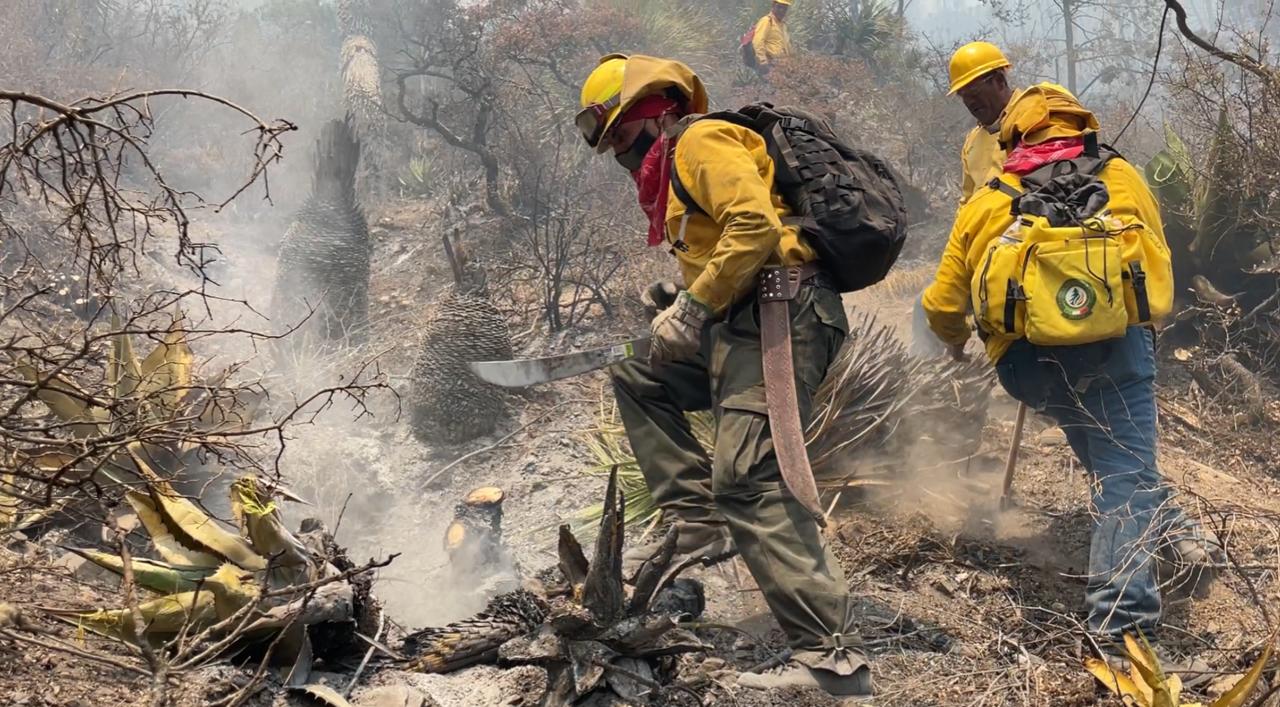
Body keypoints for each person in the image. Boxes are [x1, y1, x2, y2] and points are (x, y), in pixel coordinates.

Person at [575, 53, 871, 697]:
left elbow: (756, 228)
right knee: (638, 376)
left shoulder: (701, 141)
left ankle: (834, 661)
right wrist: (680, 298)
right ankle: (699, 522)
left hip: (783, 314)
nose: (622, 159)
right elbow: (724, 248)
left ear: (656, 112)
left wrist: (696, 304)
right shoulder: (674, 167)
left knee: (750, 479)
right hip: (745, 319)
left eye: (622, 138)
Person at [921, 84, 1222, 656]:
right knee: (1123, 472)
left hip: (1029, 365)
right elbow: (1158, 255)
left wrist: (956, 342)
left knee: (1106, 451)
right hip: (1115, 350)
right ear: (1081, 127)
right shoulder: (1123, 177)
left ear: (1015, 137)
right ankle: (1122, 625)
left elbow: (942, 302)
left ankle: (1174, 538)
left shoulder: (990, 196)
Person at [751, 0, 793, 72]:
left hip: (782, 65)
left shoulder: (782, 25)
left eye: (784, 8)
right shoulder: (766, 21)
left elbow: (786, 45)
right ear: (773, 6)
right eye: (779, 7)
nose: (781, 10)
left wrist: (792, 61)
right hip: (770, 64)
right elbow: (757, 42)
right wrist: (762, 61)